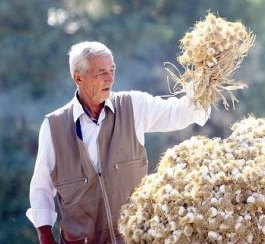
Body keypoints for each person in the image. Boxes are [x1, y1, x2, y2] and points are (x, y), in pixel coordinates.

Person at [26, 41, 210, 244]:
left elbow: (180, 112)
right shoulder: (54, 126)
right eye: (101, 72)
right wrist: (45, 236)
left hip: (135, 238)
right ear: (79, 77)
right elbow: (41, 187)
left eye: (112, 70)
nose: (110, 78)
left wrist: (208, 78)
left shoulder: (133, 106)